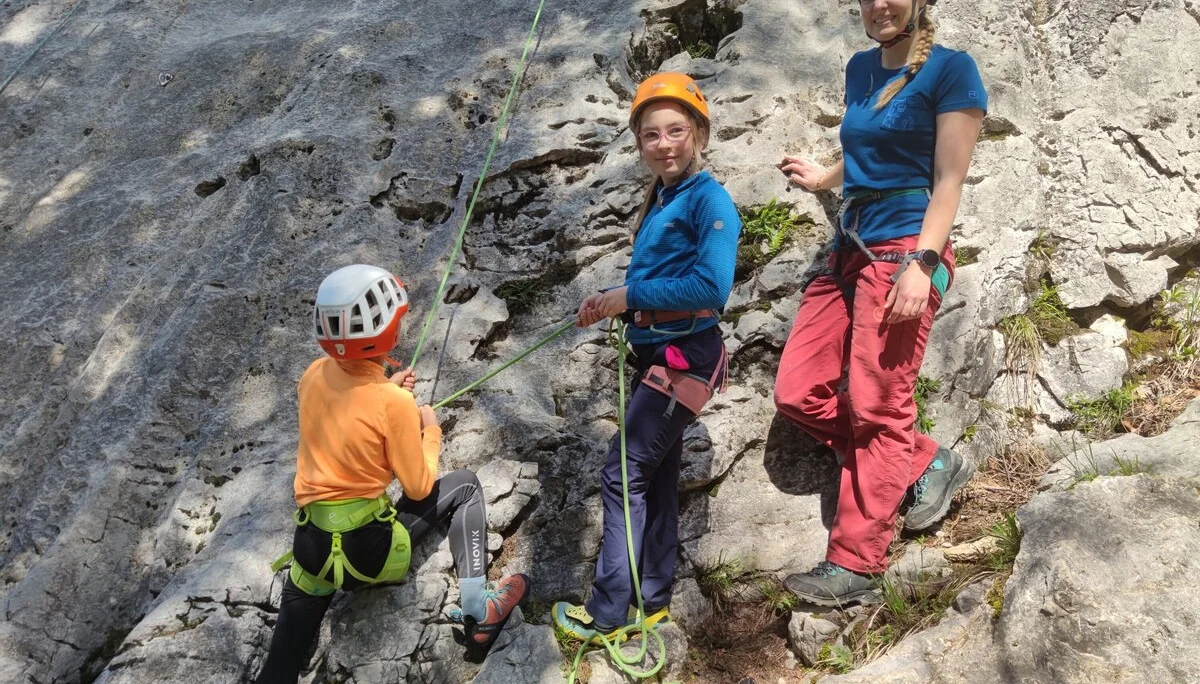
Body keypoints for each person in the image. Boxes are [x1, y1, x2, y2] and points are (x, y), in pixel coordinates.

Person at [773, 0, 986, 606]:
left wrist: (922, 266)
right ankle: (924, 460)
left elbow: (948, 180)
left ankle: (856, 566)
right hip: (850, 246)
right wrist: (826, 178)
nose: (878, 4)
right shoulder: (861, 69)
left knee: (878, 405)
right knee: (797, 390)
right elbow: (869, 147)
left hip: (904, 253)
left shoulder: (951, 70)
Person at [255, 264, 528, 683]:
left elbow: (348, 410)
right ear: (389, 331)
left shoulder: (312, 375)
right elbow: (418, 484)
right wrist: (429, 431)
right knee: (468, 486)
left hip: (311, 549)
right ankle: (479, 608)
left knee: (279, 669)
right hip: (370, 554)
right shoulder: (393, 404)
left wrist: (389, 387)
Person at [551, 73, 742, 641]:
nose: (665, 144)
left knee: (622, 471)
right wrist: (616, 303)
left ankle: (608, 610)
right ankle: (652, 599)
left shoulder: (710, 200)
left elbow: (711, 287)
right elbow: (663, 276)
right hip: (662, 354)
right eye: (652, 134)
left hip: (685, 357)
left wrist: (629, 298)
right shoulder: (663, 193)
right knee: (653, 477)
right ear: (639, 142)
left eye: (677, 130)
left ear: (700, 132)